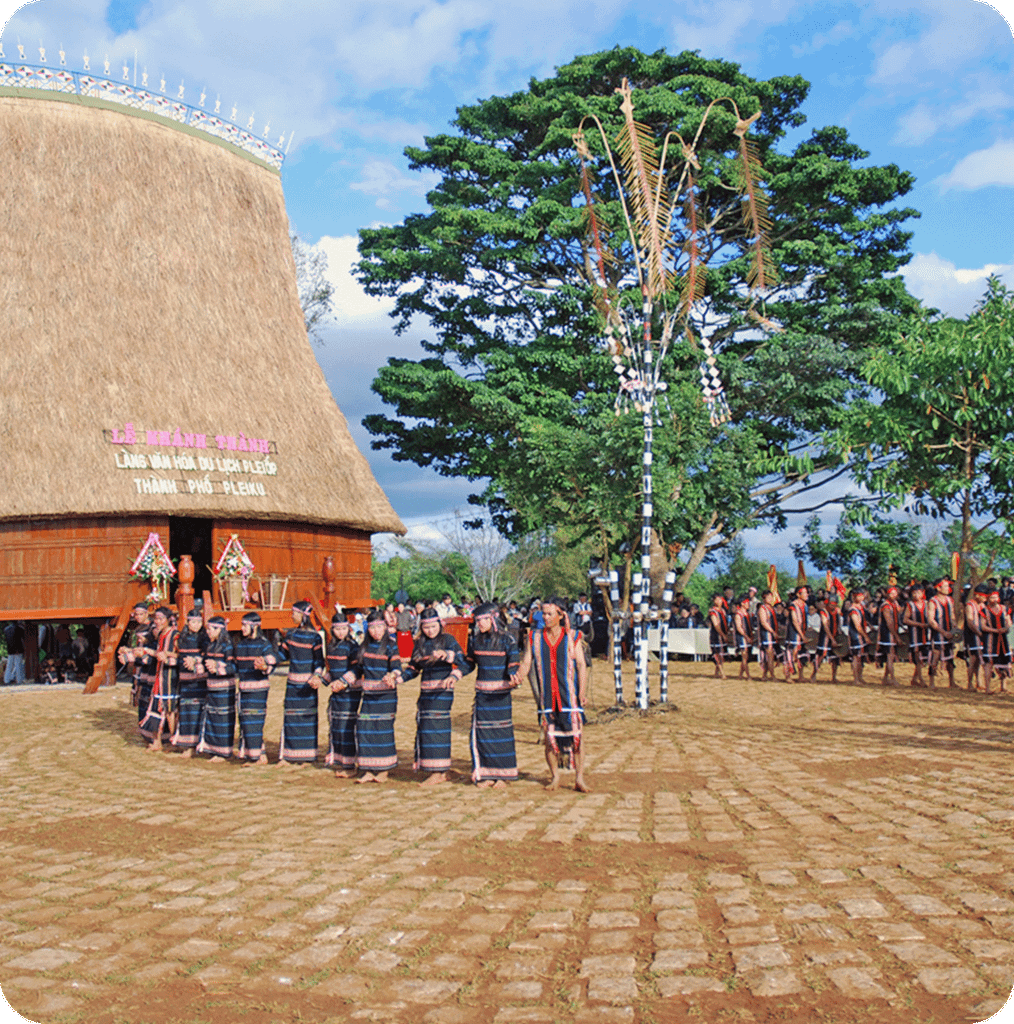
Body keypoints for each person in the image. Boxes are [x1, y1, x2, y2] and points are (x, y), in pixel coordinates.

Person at [514, 596, 589, 793]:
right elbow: (527, 662)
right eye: (543, 614)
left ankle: (579, 778)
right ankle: (555, 776)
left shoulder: (573, 636)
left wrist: (581, 692)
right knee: (550, 738)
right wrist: (519, 676)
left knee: (577, 737)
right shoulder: (534, 637)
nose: (545, 617)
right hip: (548, 697)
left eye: (549, 614)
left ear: (560, 615)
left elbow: (581, 665)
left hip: (569, 695)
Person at [403, 607, 467, 785]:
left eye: (433, 626)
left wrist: (448, 656)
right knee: (425, 727)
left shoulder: (448, 640)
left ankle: (438, 772)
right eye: (426, 627)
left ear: (439, 624)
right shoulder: (420, 644)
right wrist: (399, 678)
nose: (430, 631)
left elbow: (464, 661)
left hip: (442, 691)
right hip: (425, 692)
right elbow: (413, 668)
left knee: (437, 728)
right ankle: (434, 768)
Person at [465, 602, 521, 789]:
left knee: (501, 733)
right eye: (477, 620)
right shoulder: (475, 640)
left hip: (501, 696)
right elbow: (469, 663)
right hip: (482, 695)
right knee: (482, 733)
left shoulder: (508, 640)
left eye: (483, 620)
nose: (479, 624)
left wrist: (514, 677)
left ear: (493, 619)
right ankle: (486, 773)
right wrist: (455, 672)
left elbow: (513, 663)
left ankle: (502, 775)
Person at [356, 610, 403, 783]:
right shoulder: (364, 646)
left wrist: (392, 675)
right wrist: (344, 681)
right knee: (365, 728)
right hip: (368, 696)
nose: (376, 631)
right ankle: (368, 769)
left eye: (379, 627)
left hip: (386, 696)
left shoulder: (391, 644)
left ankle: (383, 770)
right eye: (372, 628)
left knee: (382, 730)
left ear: (384, 627)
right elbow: (358, 669)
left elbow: (397, 666)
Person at [277, 601, 326, 765]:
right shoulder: (290, 635)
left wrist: (317, 676)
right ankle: (288, 755)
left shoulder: (315, 637)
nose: (292, 616)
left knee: (307, 719)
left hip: (308, 686)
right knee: (290, 718)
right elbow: (283, 655)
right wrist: (267, 660)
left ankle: (307, 756)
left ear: (303, 616)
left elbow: (319, 661)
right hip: (292, 684)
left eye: (294, 613)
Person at [233, 611, 277, 764]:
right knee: (245, 720)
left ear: (255, 626)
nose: (242, 628)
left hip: (258, 689)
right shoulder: (240, 644)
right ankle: (258, 753)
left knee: (255, 720)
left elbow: (272, 663)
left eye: (245, 625)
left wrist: (264, 666)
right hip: (244, 689)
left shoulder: (264, 644)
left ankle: (258, 756)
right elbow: (235, 665)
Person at [324, 617, 362, 777]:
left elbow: (357, 668)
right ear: (333, 630)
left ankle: (350, 763)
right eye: (337, 629)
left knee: (348, 727)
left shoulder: (353, 647)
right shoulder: (331, 646)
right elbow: (331, 670)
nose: (341, 632)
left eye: (344, 629)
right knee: (337, 725)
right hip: (336, 692)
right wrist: (321, 680)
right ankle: (340, 759)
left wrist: (343, 682)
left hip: (350, 691)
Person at [138, 606, 178, 751]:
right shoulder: (161, 635)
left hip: (170, 677)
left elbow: (181, 654)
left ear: (168, 620)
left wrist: (165, 654)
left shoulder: (175, 634)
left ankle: (174, 740)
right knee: (156, 708)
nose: (158, 621)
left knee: (169, 710)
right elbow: (159, 653)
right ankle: (157, 741)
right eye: (156, 619)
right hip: (160, 676)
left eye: (161, 619)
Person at [199, 616, 236, 761]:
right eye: (207, 629)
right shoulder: (209, 645)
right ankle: (213, 748)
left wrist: (217, 666)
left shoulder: (228, 646)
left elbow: (233, 666)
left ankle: (223, 751)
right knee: (213, 717)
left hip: (224, 688)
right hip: (212, 686)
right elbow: (205, 663)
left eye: (211, 629)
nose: (208, 632)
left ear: (219, 629)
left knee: (223, 718)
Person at [174, 608, 209, 757]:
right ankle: (186, 744)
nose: (195, 624)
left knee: (197, 712)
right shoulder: (181, 638)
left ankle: (197, 744)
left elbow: (208, 654)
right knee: (186, 712)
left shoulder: (204, 638)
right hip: (185, 679)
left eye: (198, 621)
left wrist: (196, 661)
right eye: (192, 621)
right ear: (187, 622)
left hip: (199, 681)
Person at [927, 578, 957, 688]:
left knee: (950, 658)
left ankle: (952, 681)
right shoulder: (932, 601)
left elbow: (952, 616)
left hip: (948, 632)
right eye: (945, 586)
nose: (948, 588)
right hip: (938, 634)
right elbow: (931, 620)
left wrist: (954, 628)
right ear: (938, 588)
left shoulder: (950, 600)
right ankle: (932, 682)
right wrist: (943, 632)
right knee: (935, 657)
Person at [981, 589, 1011, 694]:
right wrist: (995, 630)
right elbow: (983, 626)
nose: (994, 600)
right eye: (992, 598)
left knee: (1005, 663)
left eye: (996, 597)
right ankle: (988, 688)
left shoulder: (1004, 609)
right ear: (988, 599)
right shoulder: (985, 611)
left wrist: (1006, 628)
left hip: (1003, 640)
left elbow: (1009, 622)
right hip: (990, 640)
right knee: (989, 663)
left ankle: (1004, 686)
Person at [903, 584, 931, 688]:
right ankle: (920, 679)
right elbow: (905, 619)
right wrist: (919, 624)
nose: (916, 595)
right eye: (914, 593)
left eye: (918, 592)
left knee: (923, 657)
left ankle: (915, 678)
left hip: (926, 633)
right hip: (915, 633)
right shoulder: (910, 605)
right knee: (917, 656)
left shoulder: (927, 604)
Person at [811, 594, 842, 684]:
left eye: (834, 604)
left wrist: (839, 634)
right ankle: (814, 674)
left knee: (835, 657)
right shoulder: (823, 612)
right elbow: (825, 626)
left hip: (835, 635)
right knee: (821, 656)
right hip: (825, 637)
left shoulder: (836, 611)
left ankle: (834, 676)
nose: (833, 606)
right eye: (831, 604)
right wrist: (832, 639)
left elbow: (838, 623)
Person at [964, 584, 989, 691]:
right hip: (971, 636)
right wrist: (978, 632)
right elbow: (970, 622)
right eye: (983, 597)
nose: (985, 599)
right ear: (978, 595)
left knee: (979, 660)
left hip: (980, 636)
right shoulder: (969, 605)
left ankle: (979, 682)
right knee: (973, 660)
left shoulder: (982, 605)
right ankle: (969, 683)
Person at [878, 586, 903, 686]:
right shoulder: (886, 606)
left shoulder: (894, 604)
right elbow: (889, 622)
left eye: (895, 593)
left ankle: (885, 678)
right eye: (891, 593)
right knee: (890, 655)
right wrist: (896, 636)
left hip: (892, 631)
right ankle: (892, 678)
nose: (894, 595)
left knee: (891, 655)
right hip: (887, 633)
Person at [784, 586, 809, 682]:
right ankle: (788, 676)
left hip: (802, 632)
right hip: (793, 634)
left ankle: (801, 676)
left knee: (801, 654)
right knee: (791, 655)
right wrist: (802, 635)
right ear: (798, 594)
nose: (807, 594)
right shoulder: (793, 606)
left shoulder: (805, 605)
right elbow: (795, 621)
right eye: (804, 592)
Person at [848, 589, 870, 684]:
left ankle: (860, 677)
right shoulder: (853, 609)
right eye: (858, 596)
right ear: (854, 597)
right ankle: (856, 678)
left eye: (862, 596)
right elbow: (857, 626)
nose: (861, 598)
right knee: (856, 657)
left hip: (861, 635)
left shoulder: (861, 607)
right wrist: (865, 636)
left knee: (861, 657)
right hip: (856, 636)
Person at [756, 590, 778, 681]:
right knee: (769, 655)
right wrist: (772, 631)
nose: (770, 599)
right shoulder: (762, 608)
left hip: (771, 634)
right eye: (768, 597)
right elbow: (763, 622)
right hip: (766, 634)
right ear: (764, 598)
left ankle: (765, 675)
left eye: (771, 597)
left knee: (769, 655)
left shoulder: (771, 608)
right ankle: (772, 675)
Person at [708, 594, 729, 679]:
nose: (719, 601)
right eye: (717, 600)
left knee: (721, 654)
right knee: (717, 653)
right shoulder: (713, 612)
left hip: (723, 633)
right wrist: (722, 634)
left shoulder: (723, 611)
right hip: (716, 635)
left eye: (720, 599)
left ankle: (717, 672)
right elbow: (716, 625)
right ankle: (722, 672)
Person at [733, 595, 754, 680]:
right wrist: (746, 636)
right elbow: (739, 628)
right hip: (742, 637)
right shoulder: (738, 615)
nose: (748, 604)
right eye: (747, 602)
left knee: (746, 657)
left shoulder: (747, 614)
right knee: (744, 656)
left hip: (747, 636)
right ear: (742, 603)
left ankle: (740, 674)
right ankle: (748, 675)